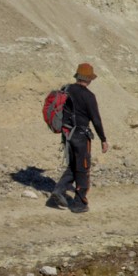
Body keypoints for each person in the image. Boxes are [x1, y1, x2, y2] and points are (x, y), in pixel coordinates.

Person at [49, 62, 109, 214]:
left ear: (77, 76)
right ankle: (79, 203)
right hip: (81, 136)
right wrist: (103, 139)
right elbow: (96, 119)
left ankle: (59, 189)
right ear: (89, 79)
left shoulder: (66, 89)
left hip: (67, 133)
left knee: (73, 165)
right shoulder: (88, 96)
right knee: (83, 168)